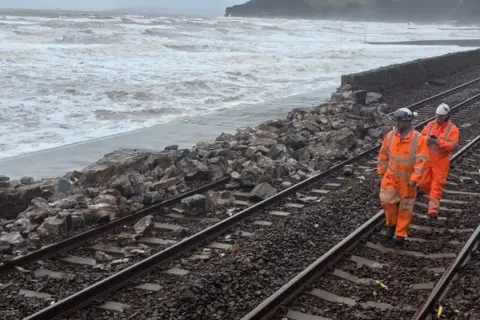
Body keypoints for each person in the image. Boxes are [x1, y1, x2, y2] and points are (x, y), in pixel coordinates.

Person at [377, 108, 428, 246]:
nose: (397, 124)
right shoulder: (391, 136)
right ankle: (391, 224)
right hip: (390, 176)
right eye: (397, 121)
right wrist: (381, 173)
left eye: (400, 121)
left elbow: (421, 160)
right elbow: (383, 155)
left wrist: (415, 178)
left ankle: (400, 234)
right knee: (387, 202)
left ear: (408, 122)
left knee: (405, 207)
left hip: (408, 180)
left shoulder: (419, 139)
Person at [418, 103, 459, 218]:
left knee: (436, 185)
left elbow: (451, 146)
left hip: (441, 162)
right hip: (427, 160)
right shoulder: (430, 125)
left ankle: (433, 210)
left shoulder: (453, 129)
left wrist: (438, 142)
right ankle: (433, 197)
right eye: (437, 116)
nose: (438, 118)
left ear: (447, 116)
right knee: (422, 183)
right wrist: (428, 139)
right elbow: (421, 138)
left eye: (441, 116)